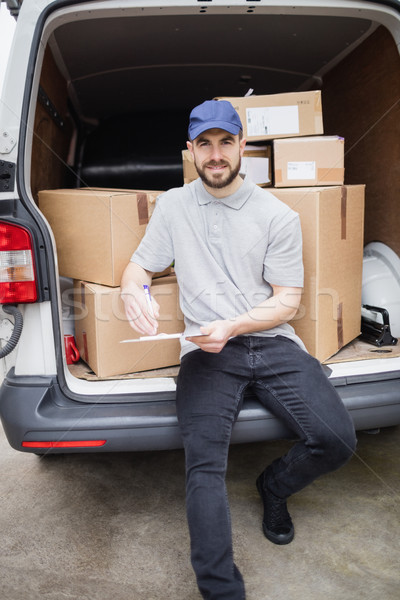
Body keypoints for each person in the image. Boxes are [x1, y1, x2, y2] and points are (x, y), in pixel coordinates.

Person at [120, 100, 357, 600]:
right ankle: (222, 591)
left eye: (225, 142)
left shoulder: (277, 215)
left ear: (242, 146)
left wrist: (233, 324)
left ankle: (273, 487)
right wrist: (130, 292)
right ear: (190, 151)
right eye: (204, 144)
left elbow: (287, 303)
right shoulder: (173, 205)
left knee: (337, 439)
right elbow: (140, 267)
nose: (215, 154)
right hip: (207, 351)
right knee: (204, 465)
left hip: (271, 341)